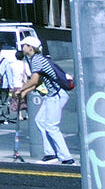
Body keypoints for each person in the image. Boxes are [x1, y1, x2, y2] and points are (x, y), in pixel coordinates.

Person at [15, 35, 76, 165]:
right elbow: (40, 81)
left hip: (56, 95)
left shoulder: (36, 60)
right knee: (39, 120)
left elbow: (34, 80)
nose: (22, 47)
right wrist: (25, 91)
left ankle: (66, 157)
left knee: (51, 126)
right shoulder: (37, 59)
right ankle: (50, 154)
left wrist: (21, 89)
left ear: (30, 47)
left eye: (24, 45)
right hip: (52, 95)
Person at [0, 38, 34, 159]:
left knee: (15, 101)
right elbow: (28, 74)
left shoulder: (12, 65)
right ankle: (25, 114)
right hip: (23, 84)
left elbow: (9, 74)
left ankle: (19, 115)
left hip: (14, 84)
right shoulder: (24, 64)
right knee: (25, 100)